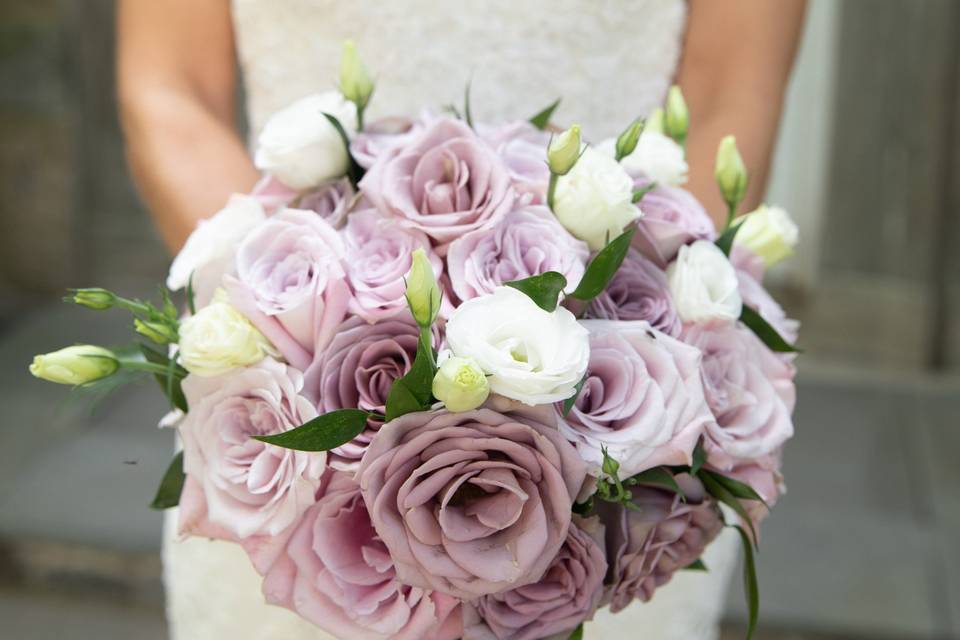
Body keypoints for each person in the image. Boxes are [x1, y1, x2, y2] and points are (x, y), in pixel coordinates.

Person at [117, 2, 806, 638]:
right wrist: (292, 335)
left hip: (610, 483)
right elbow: (171, 90)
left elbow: (728, 101)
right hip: (294, 456)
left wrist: (600, 426)